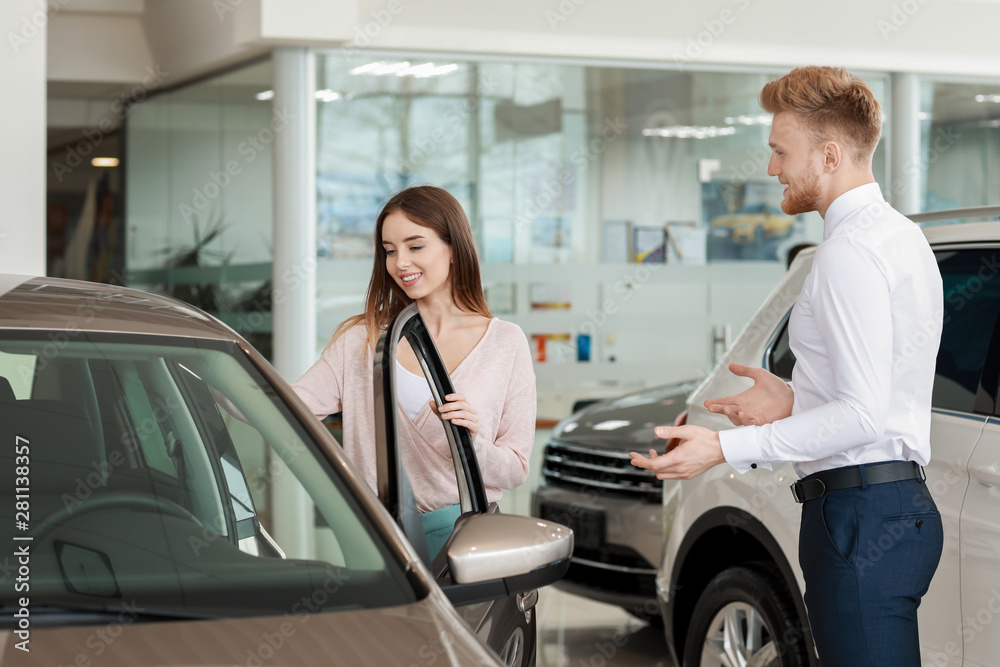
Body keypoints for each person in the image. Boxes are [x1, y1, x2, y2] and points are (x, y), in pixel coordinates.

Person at [630, 66, 944, 667]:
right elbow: (877, 390)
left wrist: (725, 449)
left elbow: (863, 413)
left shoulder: (846, 255)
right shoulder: (902, 237)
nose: (772, 168)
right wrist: (797, 398)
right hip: (888, 506)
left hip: (856, 518)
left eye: (779, 152)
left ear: (829, 154)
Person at [292, 185, 536, 559]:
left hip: (465, 543)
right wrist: (203, 371)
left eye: (415, 246)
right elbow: (286, 405)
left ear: (453, 248)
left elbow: (515, 469)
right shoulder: (363, 340)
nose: (400, 262)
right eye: (389, 251)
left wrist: (471, 444)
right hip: (377, 543)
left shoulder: (506, 342)